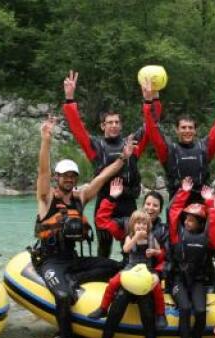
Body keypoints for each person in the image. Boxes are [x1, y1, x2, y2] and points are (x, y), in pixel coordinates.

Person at [33, 116, 129, 338]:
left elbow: (102, 177)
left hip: (72, 260)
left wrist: (123, 159)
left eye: (72, 175)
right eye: (64, 175)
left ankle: (76, 281)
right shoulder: (46, 199)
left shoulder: (80, 197)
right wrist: (46, 140)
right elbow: (42, 171)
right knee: (64, 296)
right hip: (50, 261)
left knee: (116, 266)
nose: (68, 179)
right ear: (58, 177)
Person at [63, 71, 156, 258]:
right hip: (106, 204)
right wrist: (69, 98)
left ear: (121, 126)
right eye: (109, 122)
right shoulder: (96, 147)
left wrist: (149, 100)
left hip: (128, 205)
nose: (113, 125)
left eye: (116, 122)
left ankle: (129, 275)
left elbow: (151, 126)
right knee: (103, 250)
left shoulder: (131, 144)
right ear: (102, 126)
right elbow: (77, 128)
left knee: (130, 249)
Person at [146, 67, 215, 200]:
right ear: (176, 130)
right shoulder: (168, 150)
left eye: (190, 128)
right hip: (177, 205)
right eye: (183, 127)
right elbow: (152, 130)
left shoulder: (204, 148)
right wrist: (150, 101)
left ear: (195, 131)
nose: (187, 131)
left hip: (201, 205)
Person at [93, 179, 168, 327]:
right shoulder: (128, 224)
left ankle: (160, 315)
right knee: (105, 273)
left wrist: (157, 270)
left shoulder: (163, 230)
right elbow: (101, 221)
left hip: (150, 271)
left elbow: (165, 256)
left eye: (155, 205)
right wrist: (111, 198)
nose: (150, 208)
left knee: (155, 288)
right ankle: (103, 309)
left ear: (160, 209)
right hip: (129, 267)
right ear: (142, 205)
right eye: (148, 204)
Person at [88, 211, 162, 338]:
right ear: (132, 226)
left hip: (145, 274)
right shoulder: (130, 237)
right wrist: (135, 238)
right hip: (130, 273)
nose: (141, 226)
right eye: (138, 223)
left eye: (144, 224)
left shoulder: (152, 238)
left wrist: (154, 252)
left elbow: (160, 252)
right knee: (118, 296)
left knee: (148, 305)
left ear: (148, 226)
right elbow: (126, 249)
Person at [167, 177, 215, 338]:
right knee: (184, 307)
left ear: (200, 223)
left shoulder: (207, 238)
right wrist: (183, 192)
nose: (187, 222)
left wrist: (210, 203)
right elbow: (174, 211)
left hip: (198, 280)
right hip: (179, 279)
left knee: (200, 311)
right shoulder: (177, 235)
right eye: (187, 218)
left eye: (192, 220)